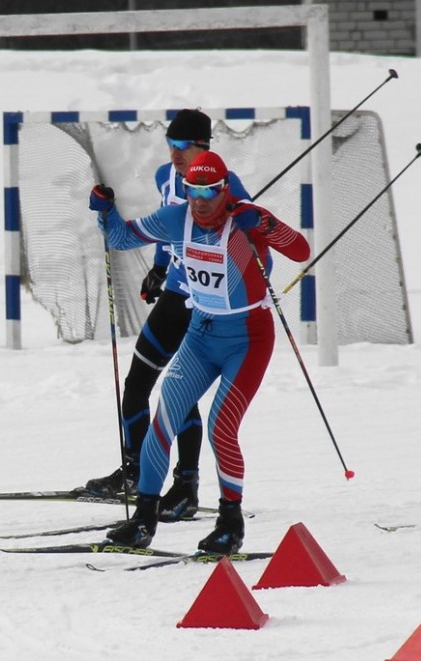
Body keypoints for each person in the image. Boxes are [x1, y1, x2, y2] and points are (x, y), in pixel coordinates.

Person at [89, 151, 311, 554]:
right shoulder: (178, 218)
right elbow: (121, 238)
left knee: (220, 427)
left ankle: (230, 522)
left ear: (225, 189)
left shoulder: (245, 219)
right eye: (193, 190)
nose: (201, 200)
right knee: (165, 416)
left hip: (247, 339)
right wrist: (105, 211)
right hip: (201, 333)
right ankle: (143, 519)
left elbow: (300, 250)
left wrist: (266, 224)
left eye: (210, 191)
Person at [82, 108, 251, 520]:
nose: (174, 154)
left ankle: (186, 485)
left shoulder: (229, 184)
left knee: (179, 390)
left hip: (205, 303)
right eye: (170, 145)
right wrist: (159, 269)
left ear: (203, 146)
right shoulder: (165, 178)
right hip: (175, 292)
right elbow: (166, 228)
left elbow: (248, 240)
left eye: (182, 146)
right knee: (139, 384)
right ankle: (137, 472)